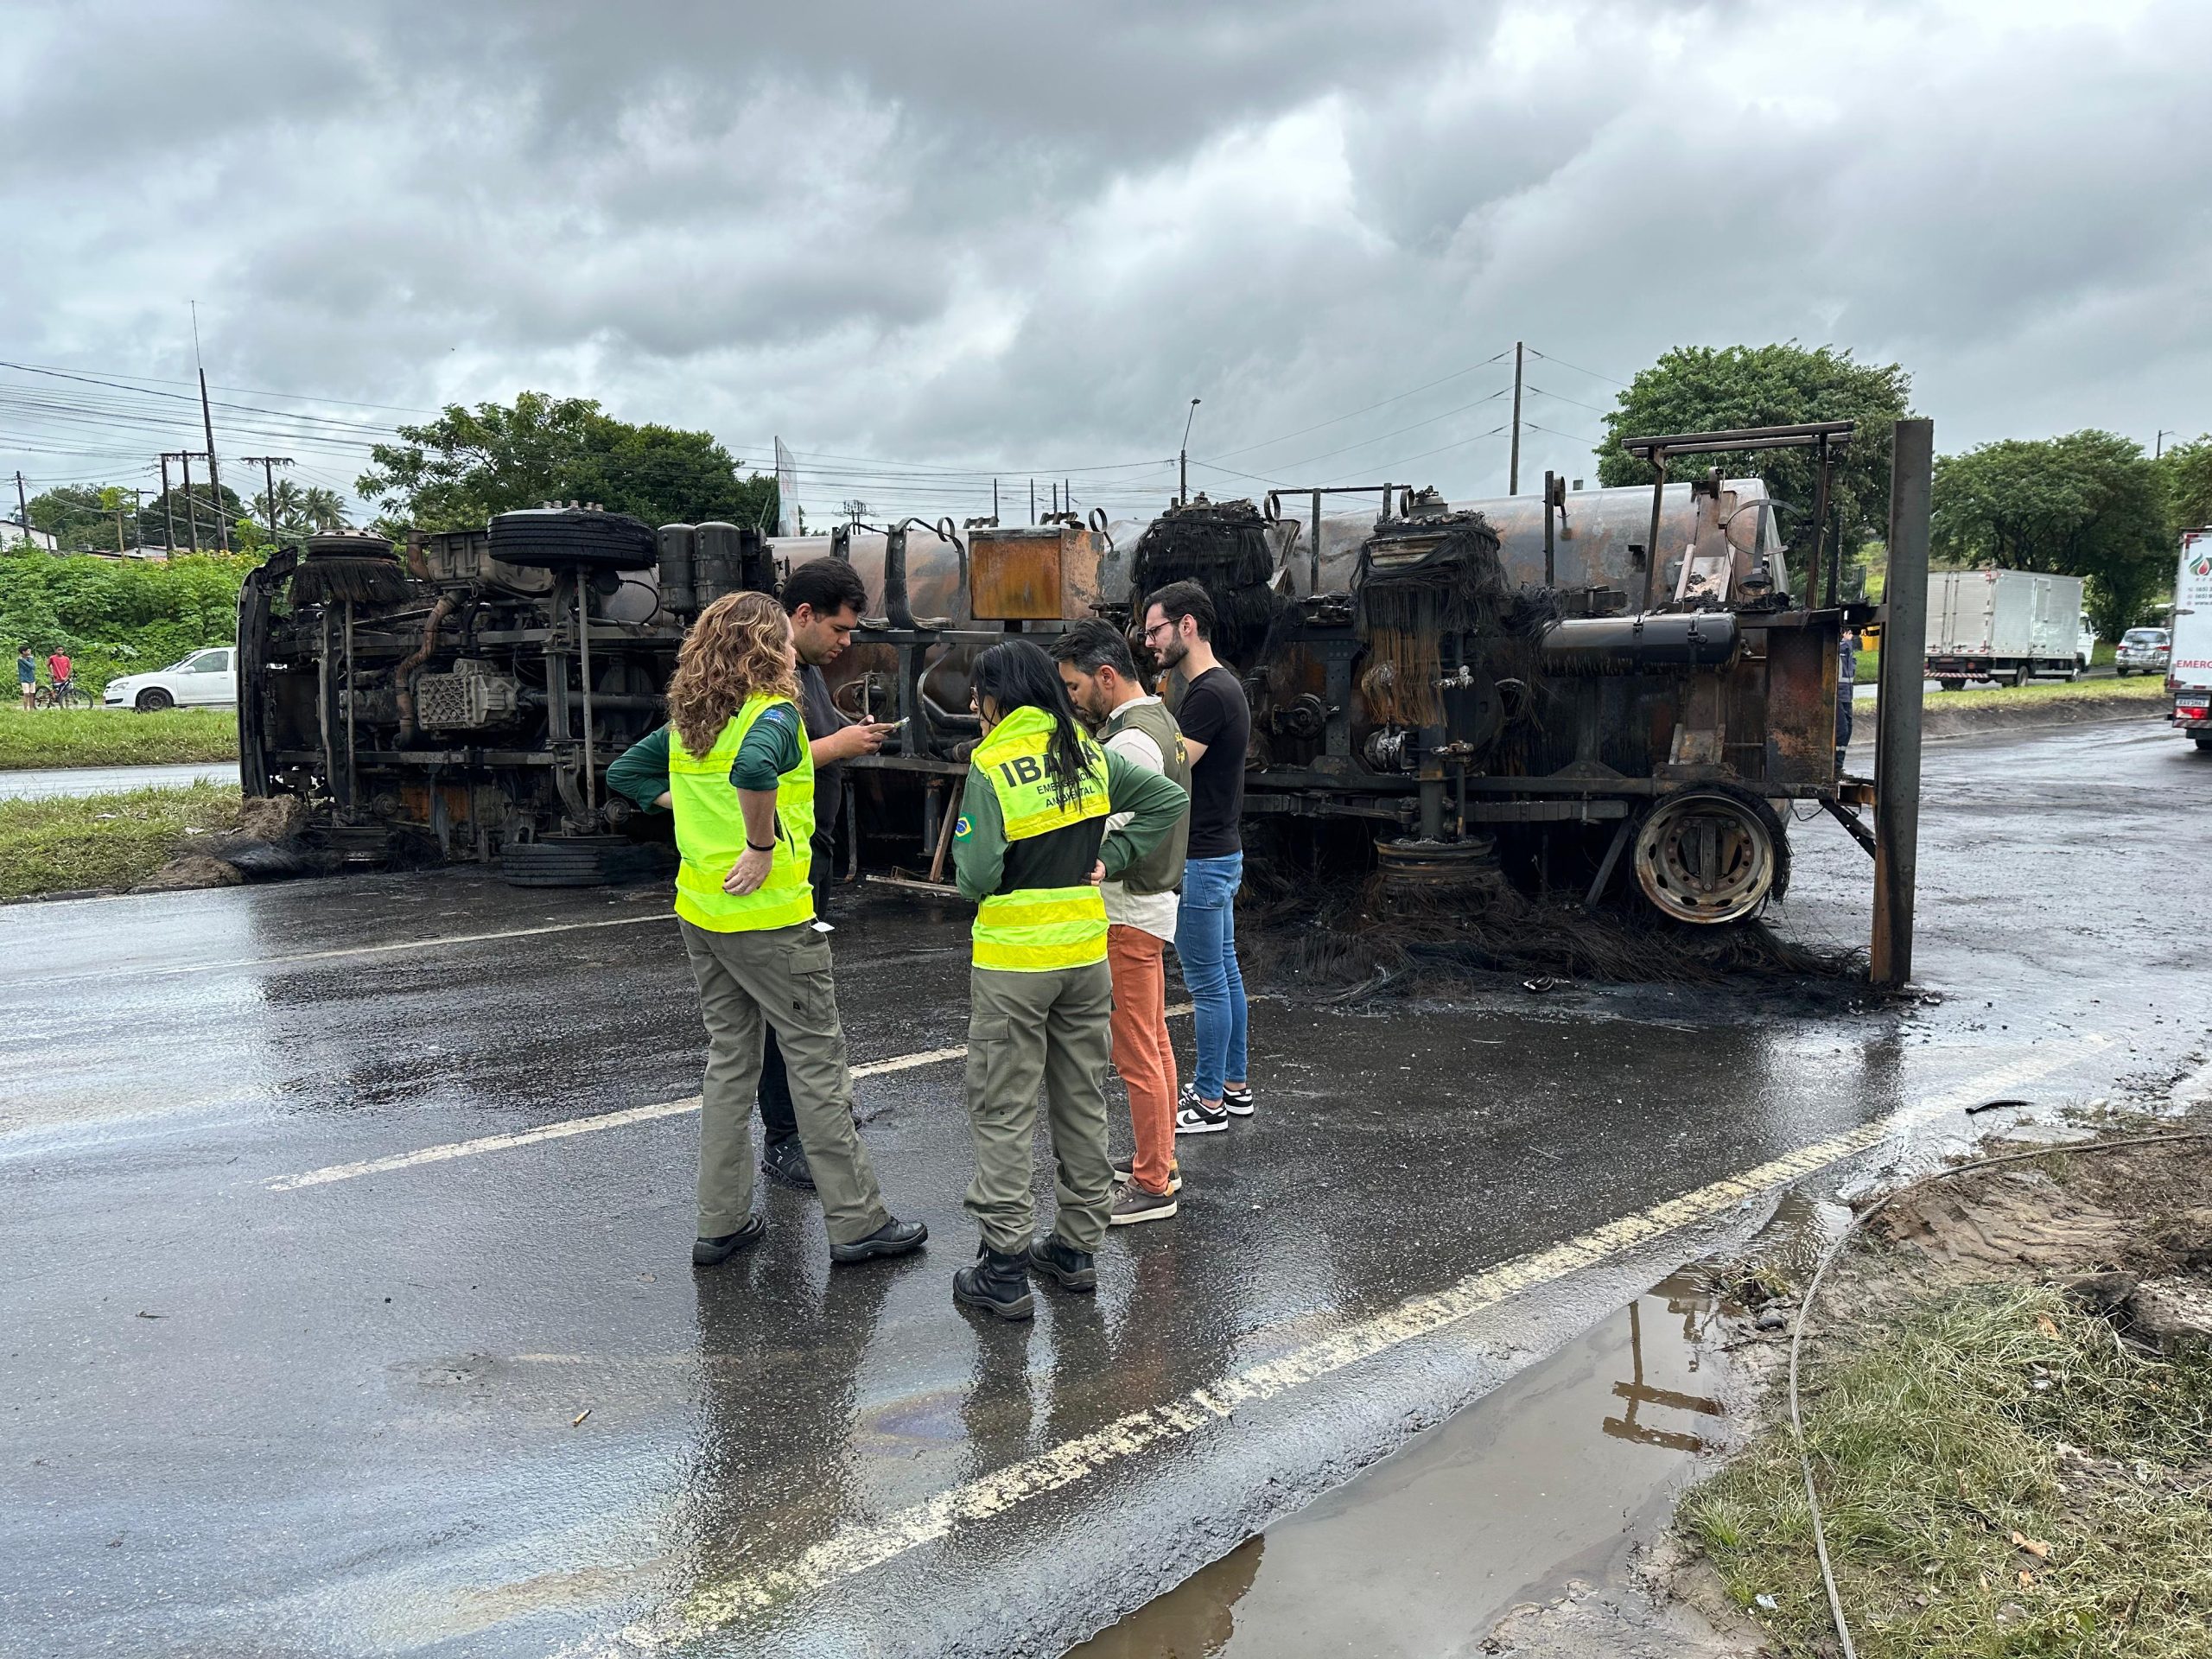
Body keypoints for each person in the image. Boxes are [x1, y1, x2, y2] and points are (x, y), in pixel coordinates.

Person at [602, 591, 925, 1270]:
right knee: (818, 1067)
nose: (789, 652)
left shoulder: (690, 722)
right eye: (781, 641)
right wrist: (757, 843)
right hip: (773, 921)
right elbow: (754, 772)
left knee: (729, 1067)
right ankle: (859, 1223)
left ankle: (719, 1225)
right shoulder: (774, 715)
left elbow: (624, 775)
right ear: (763, 648)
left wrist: (689, 807)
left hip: (702, 914)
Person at [949, 639, 1188, 1319]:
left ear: (998, 698)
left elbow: (976, 877)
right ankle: (1075, 1252)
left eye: (978, 696)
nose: (975, 707)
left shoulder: (991, 763)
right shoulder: (1089, 752)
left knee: (1004, 1109)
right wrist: (1111, 856)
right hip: (1085, 957)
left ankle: (1002, 1270)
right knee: (1081, 1100)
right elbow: (1168, 803)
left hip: (1015, 964)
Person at [752, 558, 899, 1194]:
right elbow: (752, 763)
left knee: (808, 1006)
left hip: (810, 859)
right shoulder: (765, 672)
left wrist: (852, 730)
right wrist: (837, 748)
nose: (847, 643)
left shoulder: (806, 670)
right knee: (779, 1010)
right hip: (775, 865)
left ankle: (816, 1120)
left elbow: (815, 729)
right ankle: (783, 1140)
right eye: (839, 629)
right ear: (803, 615)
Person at [1049, 619, 1191, 1225]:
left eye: (1077, 686)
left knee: (1136, 1050)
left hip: (1129, 910)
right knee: (1153, 1040)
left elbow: (1120, 824)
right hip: (1149, 905)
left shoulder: (1130, 741)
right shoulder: (1158, 721)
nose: (1073, 698)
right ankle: (1158, 1159)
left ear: (1107, 676)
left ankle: (1154, 1184)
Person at [1141, 582, 1254, 1137]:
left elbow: (1172, 766)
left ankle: (1209, 1099)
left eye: (1155, 630)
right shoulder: (1221, 685)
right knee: (1225, 972)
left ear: (1187, 626)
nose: (1149, 642)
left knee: (1207, 982)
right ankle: (1233, 1087)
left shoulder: (1209, 693)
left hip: (1202, 859)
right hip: (1220, 851)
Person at [17, 645, 35, 712]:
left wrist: (29, 659)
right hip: (24, 678)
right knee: (26, 693)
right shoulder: (20, 660)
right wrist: (23, 660)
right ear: (23, 652)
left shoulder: (30, 658)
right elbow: (30, 666)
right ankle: (25, 709)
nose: (29, 652)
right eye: (28, 651)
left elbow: (33, 666)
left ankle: (31, 708)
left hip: (32, 678)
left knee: (32, 694)